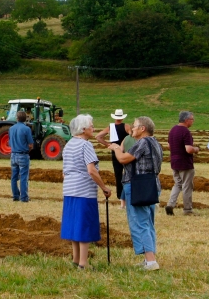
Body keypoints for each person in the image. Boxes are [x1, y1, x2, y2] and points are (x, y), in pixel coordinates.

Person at [110, 116, 164, 271]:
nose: (131, 129)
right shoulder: (156, 143)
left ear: (142, 129)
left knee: (140, 222)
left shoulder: (142, 143)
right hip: (151, 184)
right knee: (148, 221)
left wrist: (116, 148)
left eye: (134, 126)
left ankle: (151, 261)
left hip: (137, 185)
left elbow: (123, 159)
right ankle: (149, 259)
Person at [60, 114, 113, 270]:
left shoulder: (69, 144)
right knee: (84, 226)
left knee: (75, 225)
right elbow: (91, 170)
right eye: (91, 125)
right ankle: (84, 263)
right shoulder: (86, 145)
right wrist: (104, 187)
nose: (93, 128)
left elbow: (64, 172)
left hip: (69, 190)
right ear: (83, 129)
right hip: (84, 191)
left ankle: (76, 260)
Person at [165, 111, 200, 216]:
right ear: (186, 120)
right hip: (185, 162)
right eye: (192, 119)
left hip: (174, 161)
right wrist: (196, 149)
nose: (193, 122)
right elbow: (188, 149)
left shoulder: (172, 130)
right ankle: (187, 209)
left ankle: (170, 204)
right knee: (187, 186)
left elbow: (169, 146)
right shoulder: (185, 132)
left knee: (178, 184)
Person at [95, 109, 131, 206]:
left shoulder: (110, 127)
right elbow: (132, 136)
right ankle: (128, 196)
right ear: (122, 117)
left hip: (115, 152)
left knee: (118, 175)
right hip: (126, 152)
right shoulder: (126, 126)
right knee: (128, 174)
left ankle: (120, 197)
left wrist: (107, 144)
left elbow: (98, 137)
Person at [9, 111, 34, 202]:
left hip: (13, 155)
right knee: (23, 177)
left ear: (17, 118)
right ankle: (23, 197)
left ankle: (15, 195)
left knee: (14, 177)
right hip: (23, 155)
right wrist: (28, 150)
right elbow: (31, 145)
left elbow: (10, 142)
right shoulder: (26, 129)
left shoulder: (11, 128)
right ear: (25, 119)